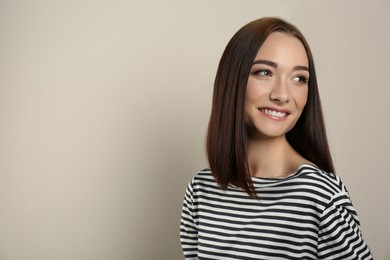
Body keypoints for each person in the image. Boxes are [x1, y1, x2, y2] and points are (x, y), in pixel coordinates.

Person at [180, 17, 373, 259]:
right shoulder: (201, 190)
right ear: (233, 80)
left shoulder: (320, 196)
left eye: (299, 78)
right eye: (264, 72)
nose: (282, 95)